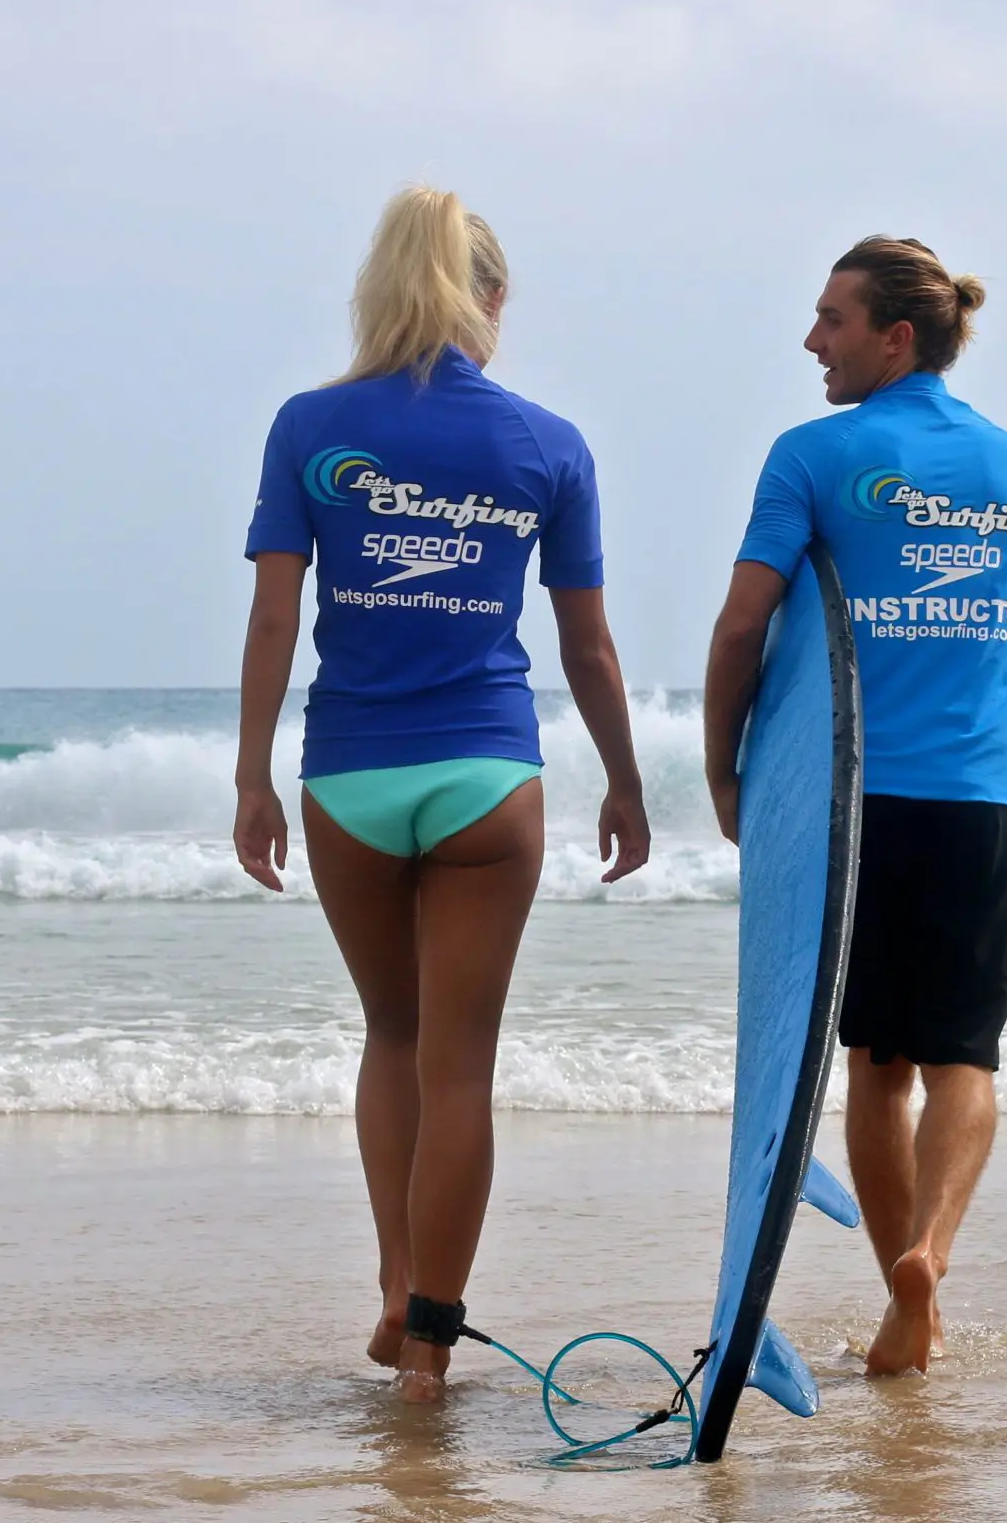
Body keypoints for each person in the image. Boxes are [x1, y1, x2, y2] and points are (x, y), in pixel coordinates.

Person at [232, 185, 652, 1404]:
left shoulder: (309, 424)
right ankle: (428, 1344)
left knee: (393, 1036)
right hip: (483, 776)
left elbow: (274, 612)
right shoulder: (547, 442)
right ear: (493, 298)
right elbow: (589, 648)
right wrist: (624, 780)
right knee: (460, 1061)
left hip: (348, 773)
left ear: (380, 285)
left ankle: (391, 1284)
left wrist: (252, 772)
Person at [700, 235, 1007, 1378]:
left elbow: (741, 628)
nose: (811, 340)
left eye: (830, 319)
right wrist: (945, 673)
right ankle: (930, 1256)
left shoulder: (813, 454)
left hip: (848, 808)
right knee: (965, 1055)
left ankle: (899, 1291)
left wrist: (724, 772)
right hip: (974, 799)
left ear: (893, 335)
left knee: (873, 1065)